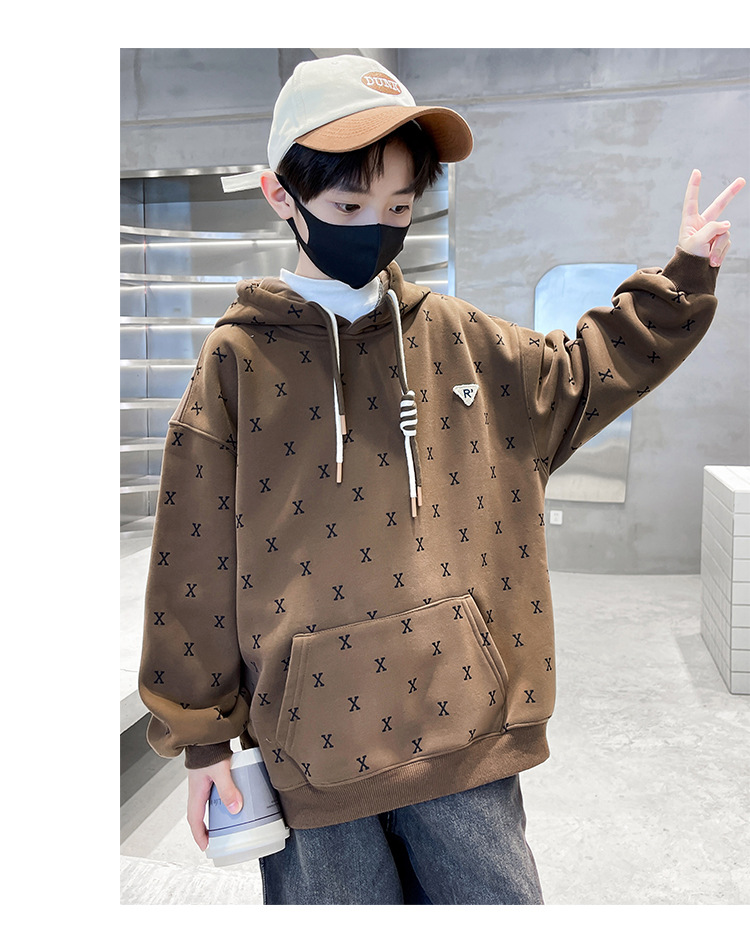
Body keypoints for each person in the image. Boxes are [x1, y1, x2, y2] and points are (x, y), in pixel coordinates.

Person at [138, 54, 745, 905]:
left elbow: (581, 374)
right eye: (348, 207)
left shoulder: (460, 337)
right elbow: (192, 554)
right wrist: (202, 741)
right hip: (312, 747)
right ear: (281, 195)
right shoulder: (236, 361)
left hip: (464, 725)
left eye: (399, 207)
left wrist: (680, 280)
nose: (376, 227)